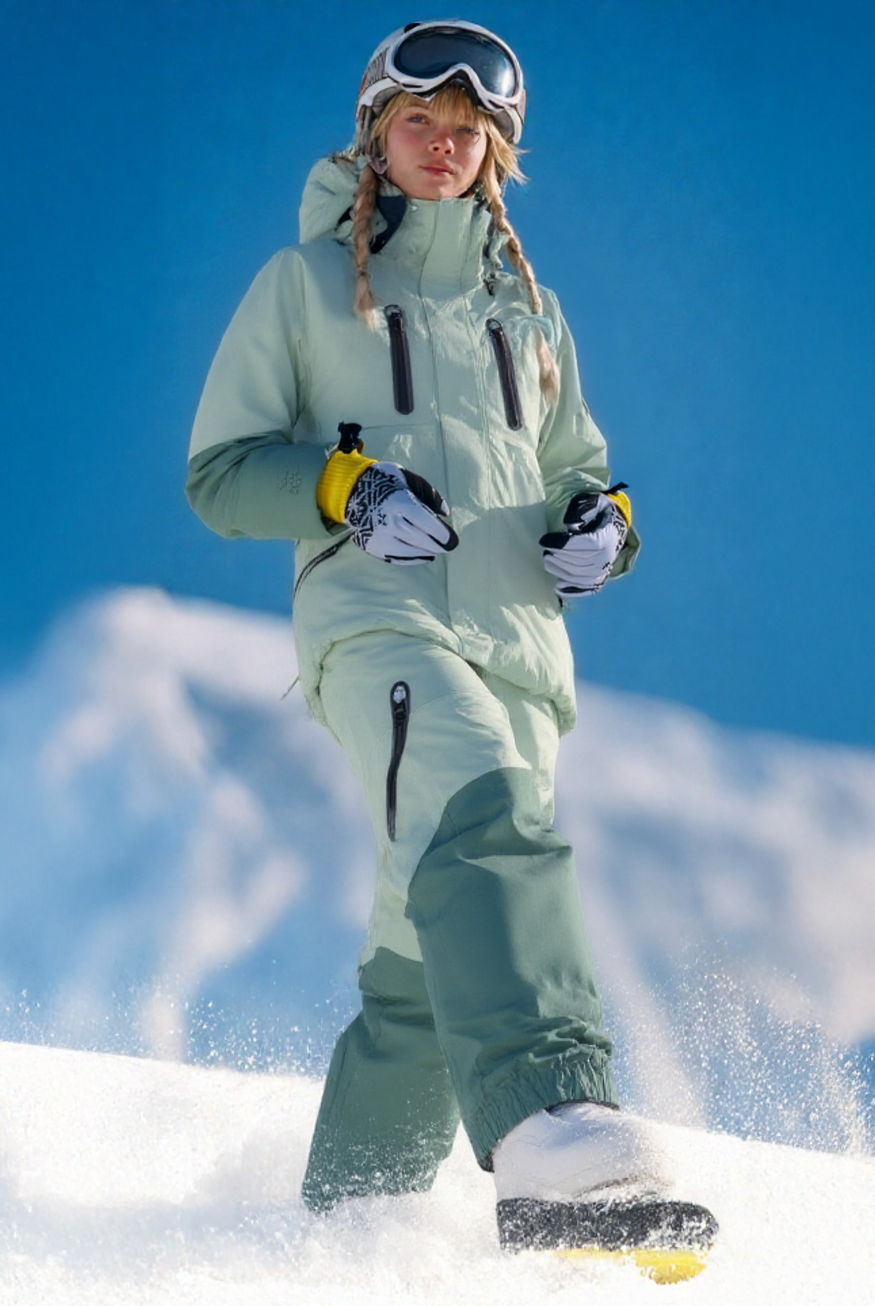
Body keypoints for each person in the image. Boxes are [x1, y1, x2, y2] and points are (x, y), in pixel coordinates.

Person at [186, 20, 716, 1268]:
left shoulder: (529, 312)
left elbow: (577, 468)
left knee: (423, 964)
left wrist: (603, 526)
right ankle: (555, 1121)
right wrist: (344, 488)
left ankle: (347, 1232)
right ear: (374, 134)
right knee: (480, 812)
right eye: (418, 121)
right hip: (378, 624)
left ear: (497, 154)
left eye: (468, 131)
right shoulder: (302, 287)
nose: (442, 144)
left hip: (521, 650)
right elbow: (220, 471)